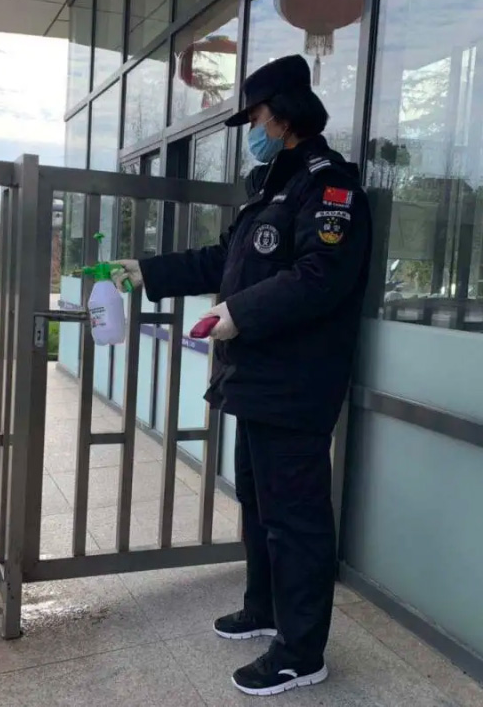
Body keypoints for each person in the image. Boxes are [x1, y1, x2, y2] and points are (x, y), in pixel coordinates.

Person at [113, 54, 372, 697]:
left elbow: (320, 277)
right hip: (256, 379)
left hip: (295, 385)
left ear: (282, 115)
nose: (251, 130)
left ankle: (301, 651)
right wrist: (149, 272)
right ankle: (264, 608)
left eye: (254, 117)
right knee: (258, 505)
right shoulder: (270, 187)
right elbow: (223, 259)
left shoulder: (329, 187)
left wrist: (237, 313)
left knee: (296, 519)